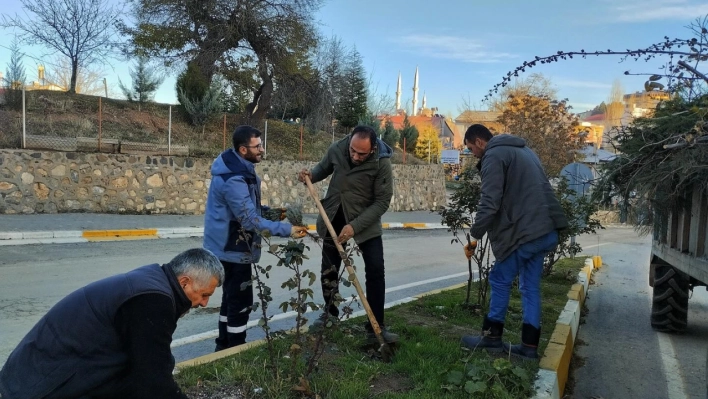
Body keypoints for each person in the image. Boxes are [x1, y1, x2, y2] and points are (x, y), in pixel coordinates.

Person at [0, 248, 224, 399]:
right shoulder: (152, 299)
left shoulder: (154, 280)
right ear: (185, 282)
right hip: (41, 384)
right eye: (204, 294)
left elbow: (155, 360)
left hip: (36, 371)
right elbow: (151, 377)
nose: (204, 303)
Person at [460, 124, 568, 360]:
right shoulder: (525, 151)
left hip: (525, 232)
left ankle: (491, 337)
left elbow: (490, 201)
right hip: (544, 229)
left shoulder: (494, 155)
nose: (472, 154)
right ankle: (529, 347)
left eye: (470, 149)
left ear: (479, 142)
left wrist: (475, 236)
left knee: (499, 278)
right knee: (530, 286)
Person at [203, 125, 308, 351]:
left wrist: (271, 212)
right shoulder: (233, 178)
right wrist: (287, 230)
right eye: (257, 146)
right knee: (240, 302)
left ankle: (223, 346)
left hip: (230, 243)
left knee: (230, 299)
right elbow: (249, 220)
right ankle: (235, 349)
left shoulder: (239, 167)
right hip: (231, 246)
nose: (262, 149)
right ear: (243, 149)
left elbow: (248, 208)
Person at [297, 125, 398, 344]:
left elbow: (382, 202)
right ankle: (330, 316)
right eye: (353, 150)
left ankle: (376, 326)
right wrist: (308, 176)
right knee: (329, 270)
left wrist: (355, 226)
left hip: (365, 220)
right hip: (334, 216)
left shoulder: (382, 162)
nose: (355, 156)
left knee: (375, 270)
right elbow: (321, 170)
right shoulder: (337, 149)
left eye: (361, 153)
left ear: (372, 149)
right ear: (349, 142)